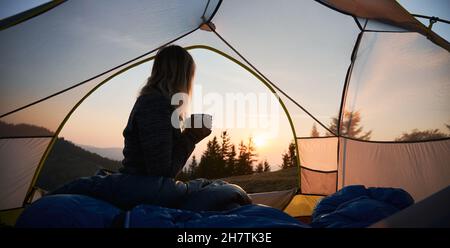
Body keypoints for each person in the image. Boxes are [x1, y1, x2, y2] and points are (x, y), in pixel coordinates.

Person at [120, 45, 211, 177]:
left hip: (138, 184)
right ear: (182, 76)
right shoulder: (155, 105)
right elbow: (161, 173)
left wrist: (189, 131)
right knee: (226, 192)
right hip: (140, 187)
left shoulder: (154, 102)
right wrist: (191, 135)